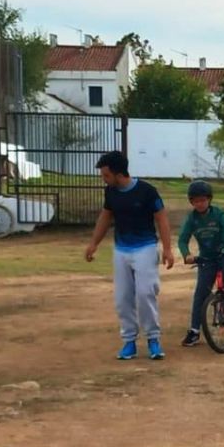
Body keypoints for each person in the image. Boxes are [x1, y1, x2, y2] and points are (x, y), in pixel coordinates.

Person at [84, 150, 174, 360]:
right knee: (123, 297)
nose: (103, 179)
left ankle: (153, 338)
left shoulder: (147, 191)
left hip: (145, 247)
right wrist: (93, 243)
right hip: (121, 250)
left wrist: (168, 249)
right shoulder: (111, 192)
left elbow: (162, 219)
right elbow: (105, 218)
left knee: (145, 293)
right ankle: (129, 342)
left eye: (106, 175)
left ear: (118, 173)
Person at [178, 179, 224, 346]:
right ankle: (194, 331)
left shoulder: (219, 214)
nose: (200, 203)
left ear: (209, 200)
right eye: (196, 201)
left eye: (203, 200)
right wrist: (187, 254)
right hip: (207, 258)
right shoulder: (192, 219)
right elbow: (182, 240)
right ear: (191, 202)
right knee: (201, 293)